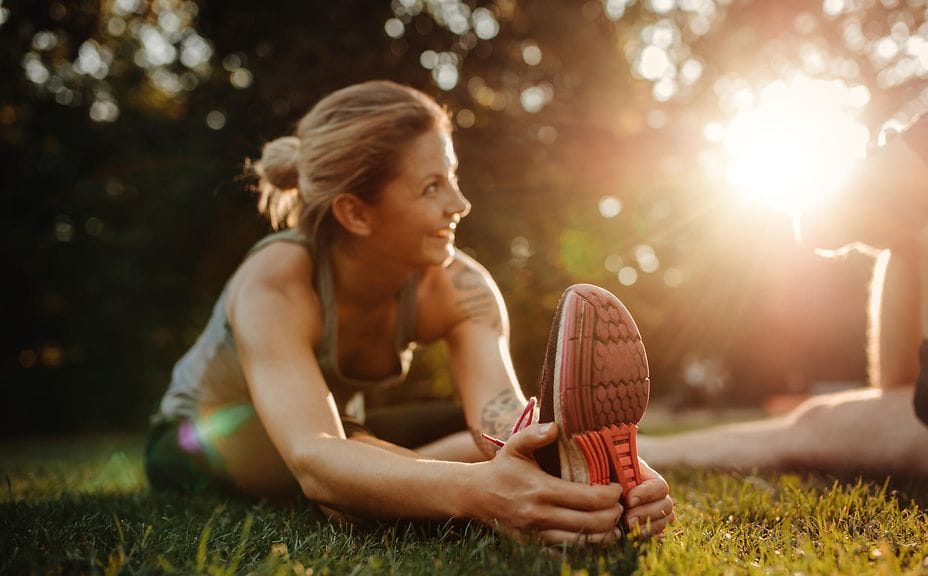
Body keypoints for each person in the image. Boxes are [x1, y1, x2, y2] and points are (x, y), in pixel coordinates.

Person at [143, 80, 674, 544]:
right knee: (346, 482)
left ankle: (393, 467)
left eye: (452, 176)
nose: (460, 204)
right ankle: (392, 473)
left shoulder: (461, 286)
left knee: (458, 438)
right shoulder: (276, 281)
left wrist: (595, 466)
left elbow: (500, 414)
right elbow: (314, 456)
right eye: (431, 187)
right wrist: (480, 492)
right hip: (202, 434)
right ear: (356, 212)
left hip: (341, 426)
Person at [640, 0, 928, 486]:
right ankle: (646, 451)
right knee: (818, 423)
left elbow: (827, 222)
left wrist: (890, 175)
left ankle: (643, 450)